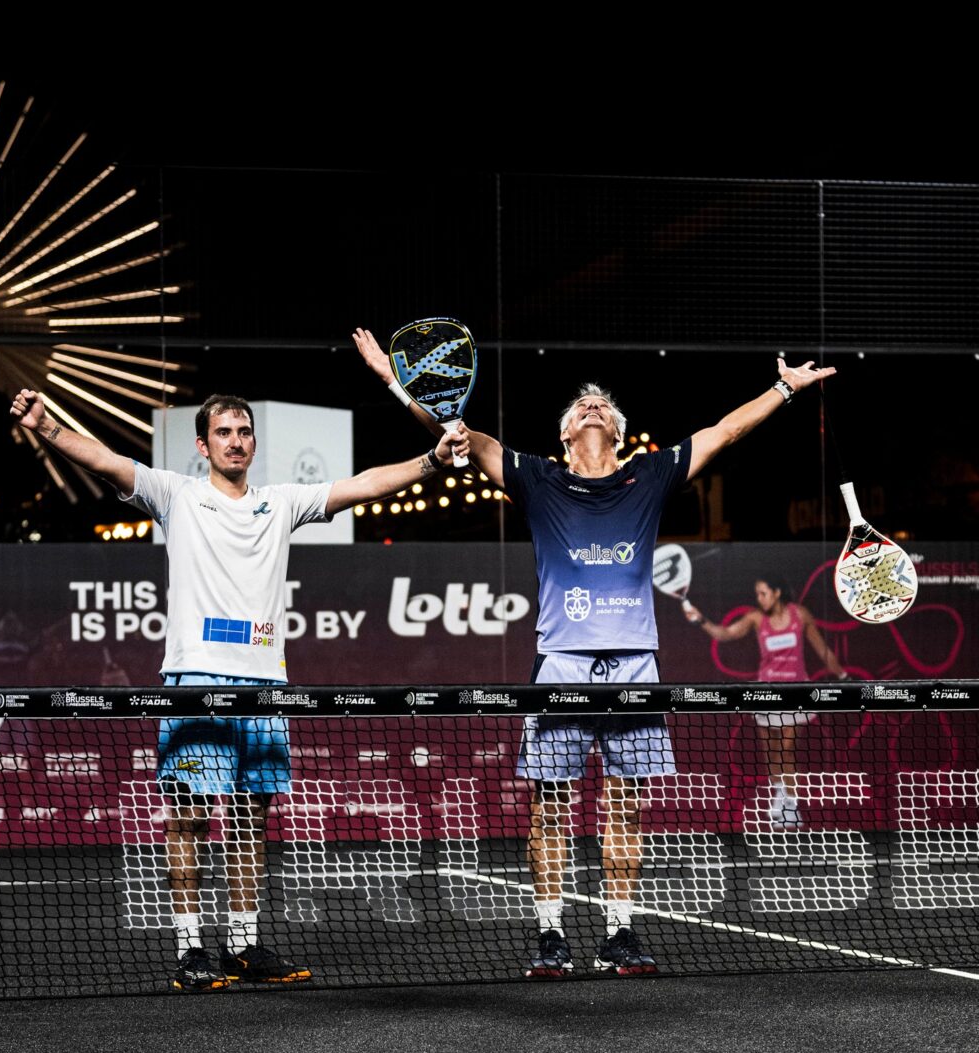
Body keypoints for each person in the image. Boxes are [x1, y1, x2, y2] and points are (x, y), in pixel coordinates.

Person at [353, 328, 835, 978]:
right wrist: (395, 381)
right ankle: (551, 933)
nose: (591, 405)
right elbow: (459, 435)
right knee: (550, 808)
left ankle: (620, 931)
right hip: (561, 665)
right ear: (564, 435)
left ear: (618, 430)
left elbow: (724, 432)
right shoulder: (537, 479)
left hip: (636, 665)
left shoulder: (650, 476)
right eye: (581, 405)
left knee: (626, 806)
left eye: (602, 405)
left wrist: (784, 388)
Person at [9, 387, 461, 992]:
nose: (235, 441)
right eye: (223, 432)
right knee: (190, 816)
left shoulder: (281, 503)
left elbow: (362, 486)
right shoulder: (176, 495)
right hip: (196, 682)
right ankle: (190, 947)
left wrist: (431, 461)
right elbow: (108, 462)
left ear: (253, 442)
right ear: (203, 445)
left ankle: (243, 944)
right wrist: (47, 428)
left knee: (251, 818)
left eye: (244, 431)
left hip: (264, 684)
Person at [683, 576, 847, 827]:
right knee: (771, 751)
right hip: (766, 693)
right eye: (757, 594)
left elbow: (822, 649)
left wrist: (844, 677)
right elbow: (725, 634)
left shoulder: (800, 615)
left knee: (787, 748)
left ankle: (791, 805)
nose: (759, 599)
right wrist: (701, 620)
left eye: (763, 593)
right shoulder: (756, 618)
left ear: (777, 592)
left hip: (795, 693)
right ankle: (779, 794)